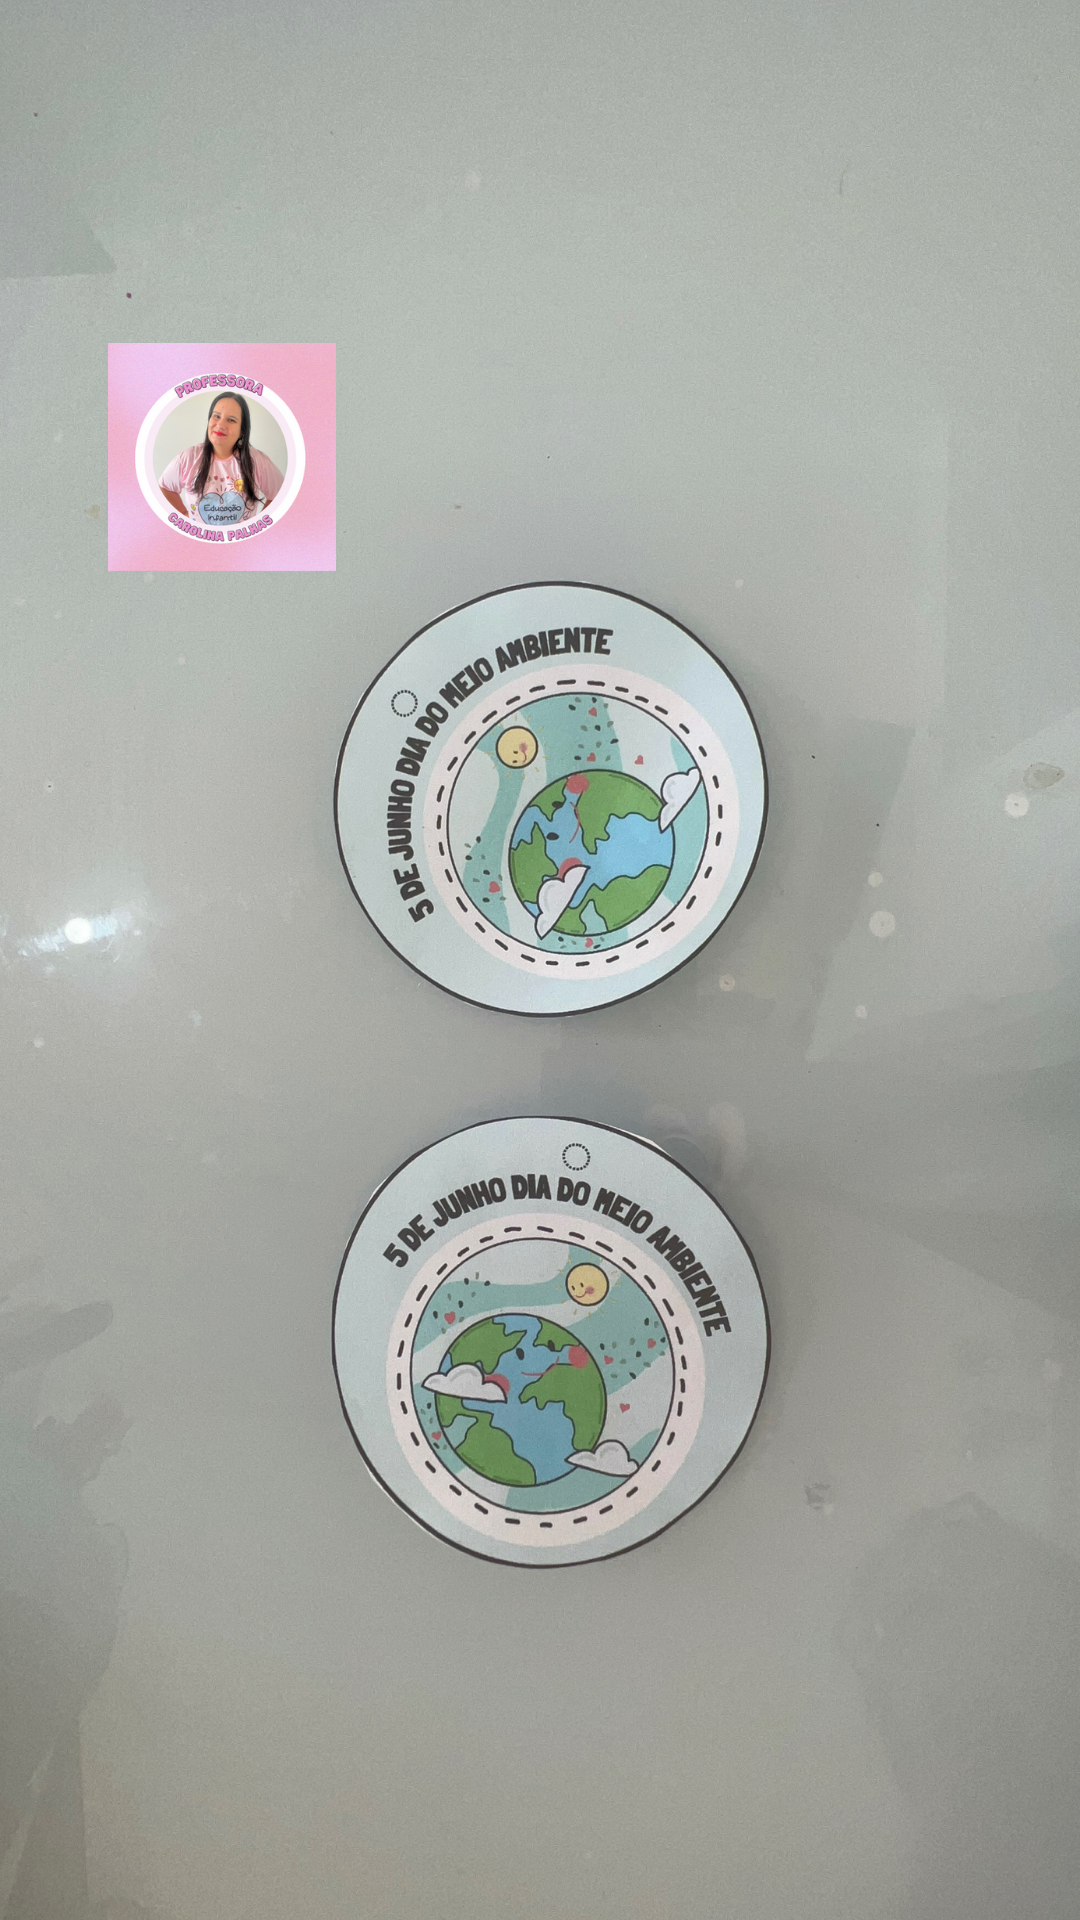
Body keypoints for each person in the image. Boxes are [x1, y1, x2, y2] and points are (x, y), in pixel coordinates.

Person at [158, 391, 283, 528]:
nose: (220, 424)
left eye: (231, 420)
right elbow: (165, 488)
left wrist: (258, 525)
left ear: (242, 431)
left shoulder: (257, 461)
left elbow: (282, 494)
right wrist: (183, 513)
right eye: (216, 416)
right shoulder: (188, 458)